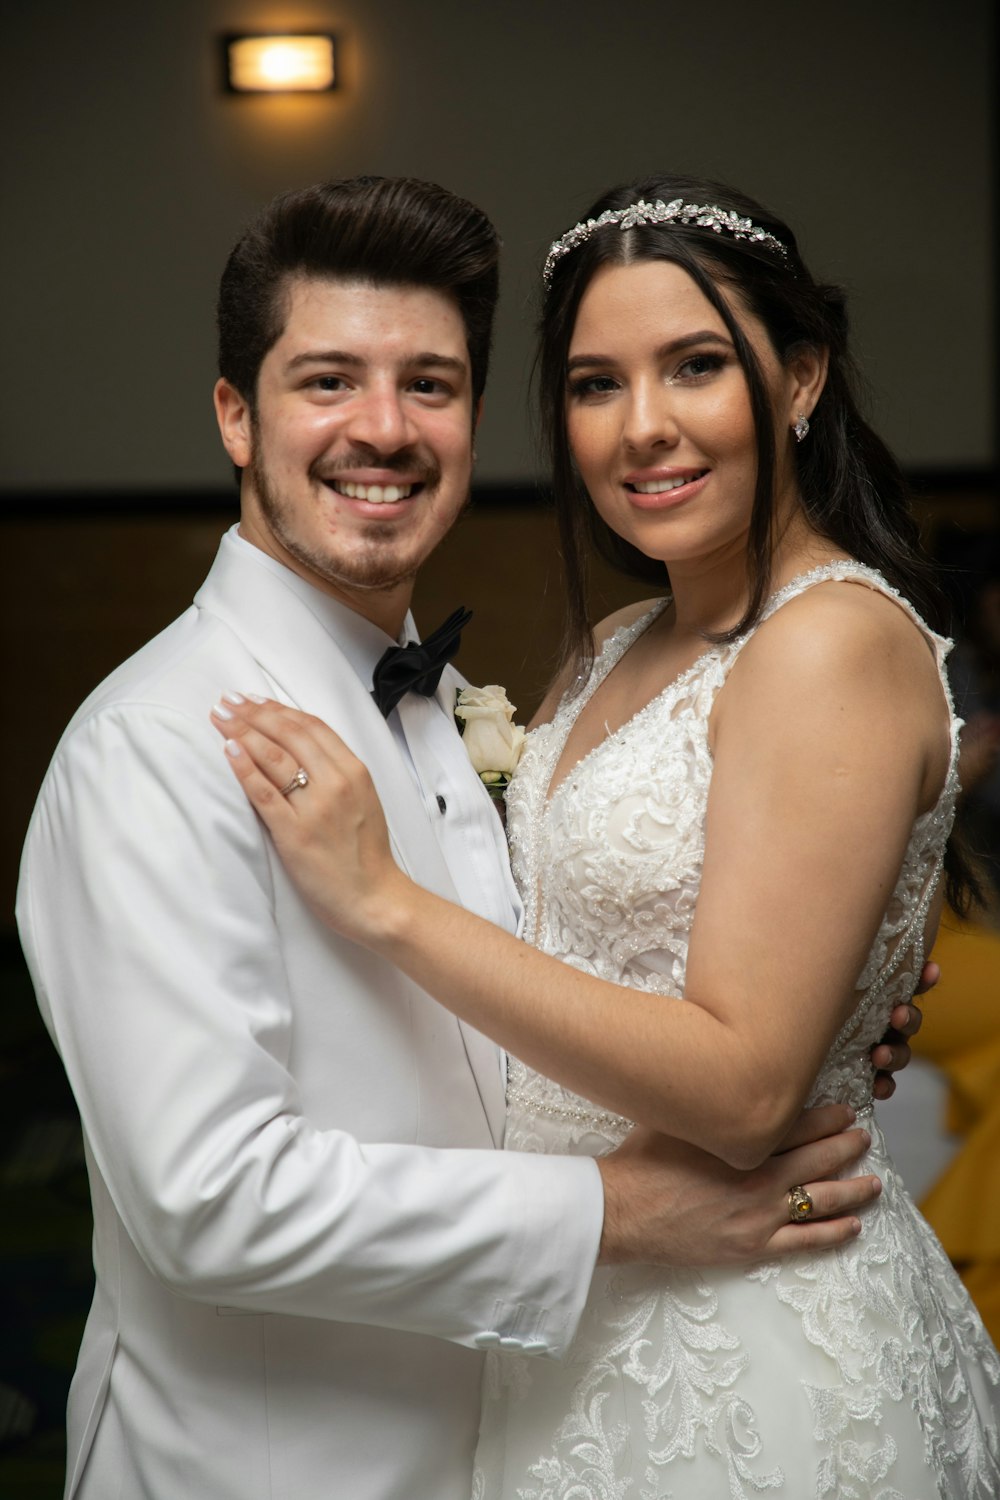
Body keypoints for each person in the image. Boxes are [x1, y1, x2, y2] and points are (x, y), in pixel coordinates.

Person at [17, 176, 917, 1500]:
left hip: (544, 1430)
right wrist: (622, 1213)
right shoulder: (154, 745)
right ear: (232, 415)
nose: (382, 429)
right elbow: (208, 1197)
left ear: (477, 422)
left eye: (428, 386)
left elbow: (570, 987)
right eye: (327, 381)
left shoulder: (458, 708)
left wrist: (838, 986)